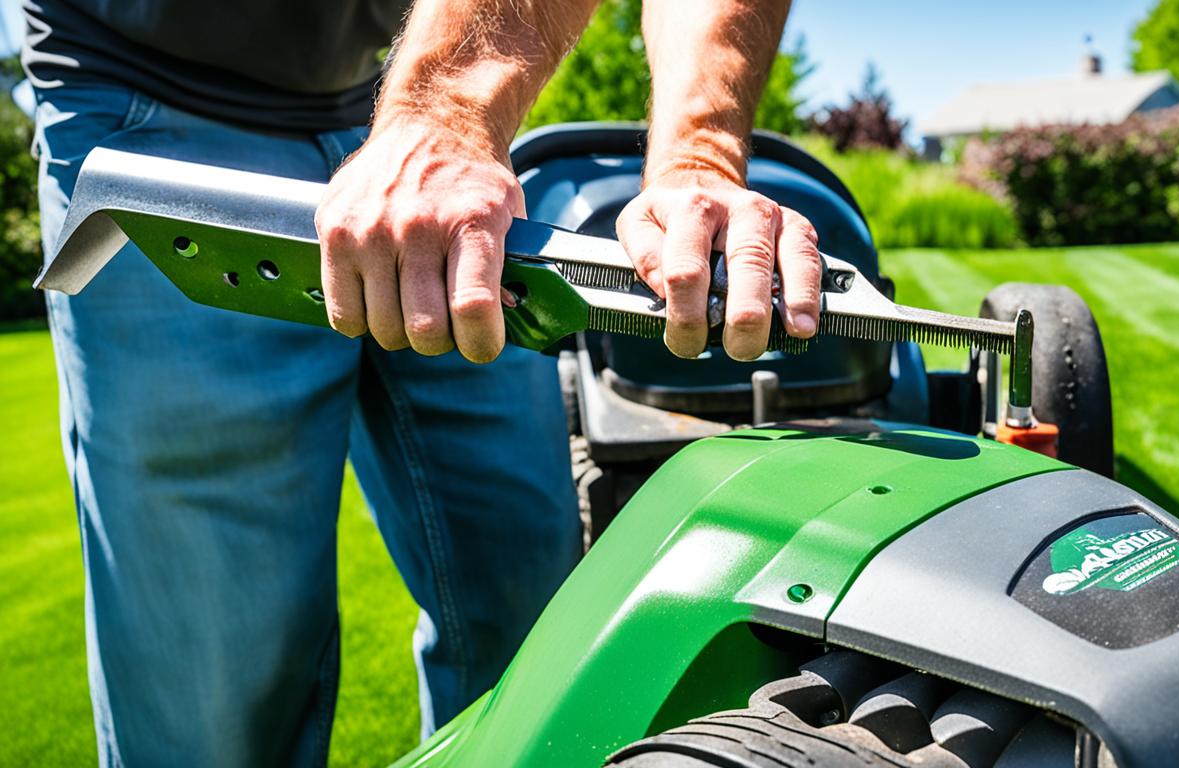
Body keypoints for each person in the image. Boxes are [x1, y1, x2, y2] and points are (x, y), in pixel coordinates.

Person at [22, 0, 821, 764]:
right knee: (214, 687)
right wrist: (443, 115)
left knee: (535, 627)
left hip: (402, 97)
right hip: (153, 100)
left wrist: (698, 156)